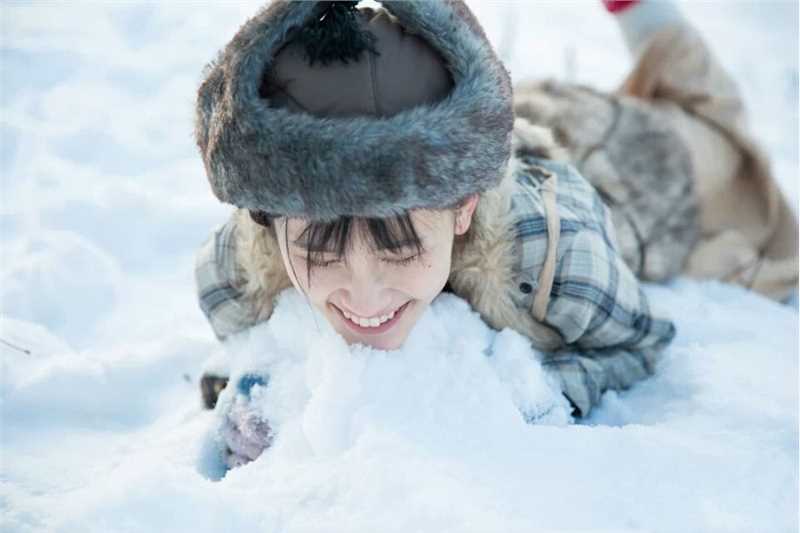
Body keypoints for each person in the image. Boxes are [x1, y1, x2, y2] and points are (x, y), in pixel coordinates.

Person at [193, 0, 798, 469]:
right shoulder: (240, 272)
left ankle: (653, 24)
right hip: (484, 127)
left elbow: (636, 344)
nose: (364, 293)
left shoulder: (558, 259)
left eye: (400, 247)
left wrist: (543, 389)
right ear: (269, 221)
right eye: (320, 251)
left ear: (462, 210)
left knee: (716, 142)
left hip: (626, 172)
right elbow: (235, 355)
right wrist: (258, 387)